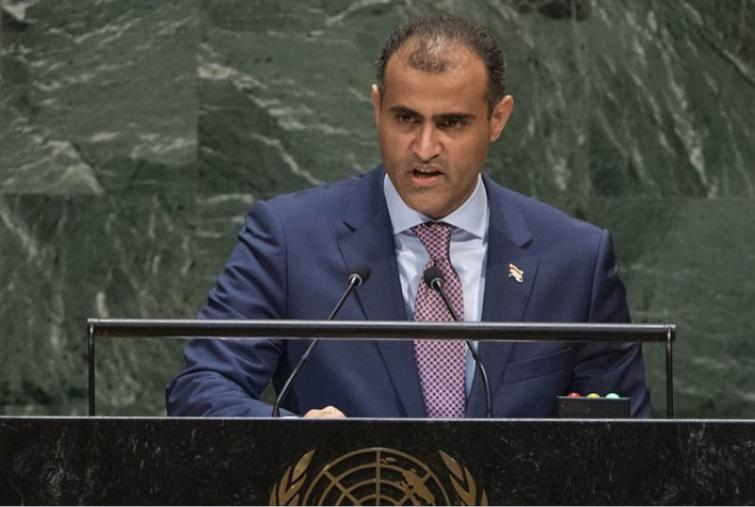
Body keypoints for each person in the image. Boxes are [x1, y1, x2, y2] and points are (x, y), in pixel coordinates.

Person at [166, 13, 651, 419]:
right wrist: (289, 437)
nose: (424, 147)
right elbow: (201, 387)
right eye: (405, 118)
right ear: (378, 108)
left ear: (497, 119)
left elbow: (630, 442)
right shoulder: (290, 239)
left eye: (451, 123)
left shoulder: (575, 260)